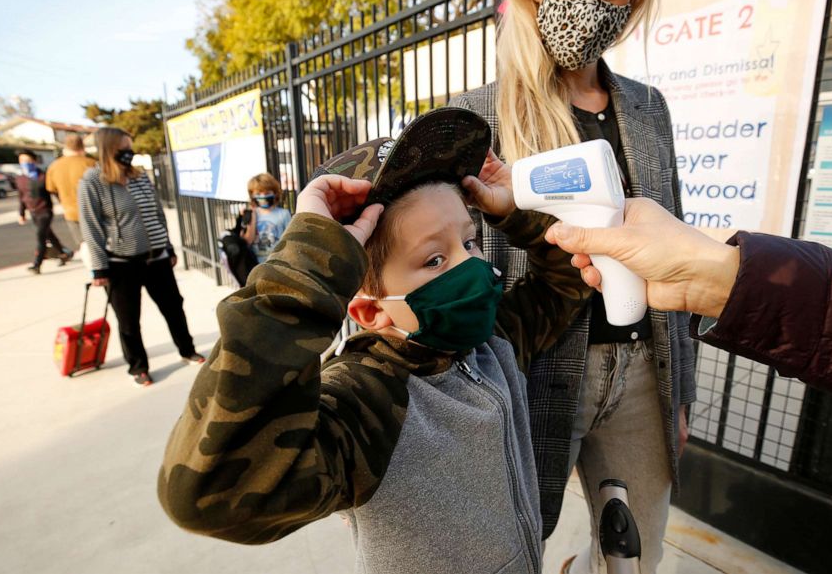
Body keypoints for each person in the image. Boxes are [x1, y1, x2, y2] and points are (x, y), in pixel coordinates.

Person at [158, 108, 591, 574]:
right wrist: (308, 269)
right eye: (433, 260)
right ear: (371, 310)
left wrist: (513, 211)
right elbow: (205, 495)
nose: (468, 267)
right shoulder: (367, 397)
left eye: (469, 242)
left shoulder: (494, 343)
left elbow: (571, 276)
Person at [450, 0, 693, 570]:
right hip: (533, 374)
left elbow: (678, 239)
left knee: (634, 557)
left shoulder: (647, 109)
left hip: (644, 373)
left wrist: (681, 394)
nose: (589, 4)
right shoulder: (477, 118)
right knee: (512, 548)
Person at [545, 197, 832, 439]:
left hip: (647, 363)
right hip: (553, 378)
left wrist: (680, 396)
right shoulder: (491, 114)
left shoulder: (646, 103)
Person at [78, 127, 205, 387]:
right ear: (109, 149)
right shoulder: (92, 181)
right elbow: (91, 226)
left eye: (130, 147)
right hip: (121, 263)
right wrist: (100, 269)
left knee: (173, 307)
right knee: (128, 319)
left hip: (156, 258)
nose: (129, 153)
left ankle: (187, 350)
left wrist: (167, 247)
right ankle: (138, 366)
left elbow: (157, 215)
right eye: (124, 148)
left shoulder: (139, 177)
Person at [16, 149, 72, 274]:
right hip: (33, 212)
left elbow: (55, 191)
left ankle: (37, 264)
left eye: (27, 161)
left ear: (34, 161)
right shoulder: (20, 179)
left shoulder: (44, 176)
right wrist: (21, 213)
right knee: (48, 235)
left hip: (45, 211)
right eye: (22, 161)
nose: (25, 163)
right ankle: (63, 253)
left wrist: (65, 205)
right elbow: (21, 197)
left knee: (41, 236)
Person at [45, 134, 97, 252]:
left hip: (70, 212)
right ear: (82, 147)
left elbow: (51, 189)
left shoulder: (54, 167)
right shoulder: (91, 163)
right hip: (94, 212)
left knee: (84, 245)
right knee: (98, 245)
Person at [240, 172, 292, 262]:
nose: (263, 196)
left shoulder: (284, 214)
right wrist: (251, 217)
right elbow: (247, 241)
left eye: (267, 192)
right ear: (252, 195)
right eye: (258, 193)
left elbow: (290, 241)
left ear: (275, 193)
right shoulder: (250, 214)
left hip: (278, 263)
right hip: (255, 264)